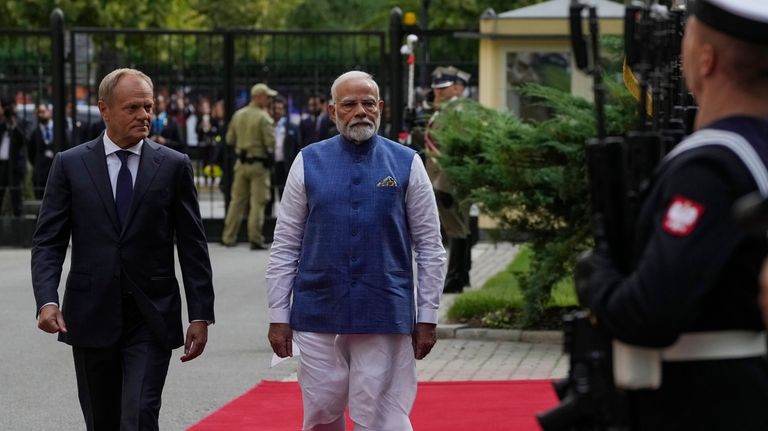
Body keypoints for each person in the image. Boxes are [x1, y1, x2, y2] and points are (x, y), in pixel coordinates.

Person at [576, 2, 768, 429]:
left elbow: (649, 312)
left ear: (706, 58)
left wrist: (596, 277)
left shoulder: (711, 167)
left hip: (706, 402)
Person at [31, 68, 215, 431]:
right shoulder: (70, 164)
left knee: (139, 415)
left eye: (148, 107)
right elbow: (48, 241)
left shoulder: (173, 165)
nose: (144, 116)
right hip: (90, 313)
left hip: (151, 314)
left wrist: (200, 314)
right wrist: (46, 299)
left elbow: (193, 246)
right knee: (103, 421)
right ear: (104, 110)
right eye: (132, 108)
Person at [266, 70, 446, 431]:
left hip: (383, 309)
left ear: (381, 107)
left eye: (368, 103)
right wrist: (278, 315)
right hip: (317, 308)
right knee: (320, 413)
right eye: (349, 104)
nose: (360, 111)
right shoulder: (307, 160)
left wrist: (427, 316)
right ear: (333, 111)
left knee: (380, 415)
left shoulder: (407, 162)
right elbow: (285, 244)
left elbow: (430, 247)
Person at [424, 65, 474, 293]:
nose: (437, 92)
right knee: (458, 227)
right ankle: (462, 274)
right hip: (443, 179)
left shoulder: (458, 112)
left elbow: (457, 151)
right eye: (437, 88)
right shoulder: (445, 110)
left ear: (458, 88)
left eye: (443, 88)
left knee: (456, 228)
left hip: (449, 180)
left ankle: (455, 277)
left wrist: (444, 184)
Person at [220, 82, 276, 250]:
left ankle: (228, 237)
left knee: (237, 201)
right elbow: (270, 143)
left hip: (241, 163)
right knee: (258, 202)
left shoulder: (238, 115)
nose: (268, 100)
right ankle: (255, 238)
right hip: (258, 165)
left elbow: (229, 139)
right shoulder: (263, 117)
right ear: (258, 97)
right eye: (266, 97)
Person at [0, 96, 27, 217]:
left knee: (16, 197)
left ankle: (19, 222)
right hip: (2, 165)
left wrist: (13, 124)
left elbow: (24, 140)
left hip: (14, 166)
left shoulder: (20, 122)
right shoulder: (1, 124)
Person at [28, 103, 56, 199]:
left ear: (49, 112)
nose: (40, 115)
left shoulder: (59, 130)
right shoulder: (34, 133)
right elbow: (31, 153)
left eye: (43, 112)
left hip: (56, 171)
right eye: (38, 112)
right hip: (40, 174)